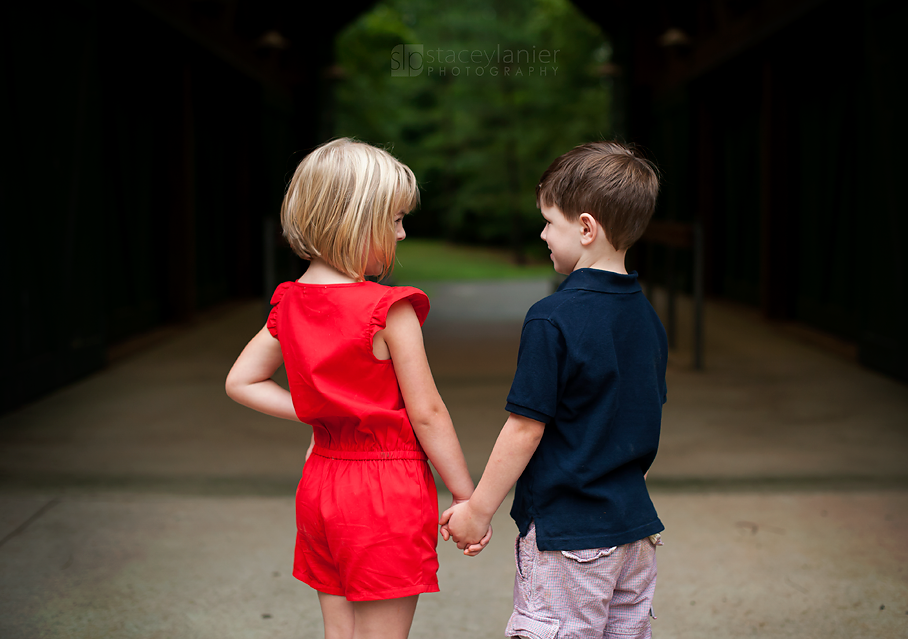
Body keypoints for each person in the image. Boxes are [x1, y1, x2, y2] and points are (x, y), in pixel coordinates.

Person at [225, 138, 488, 639]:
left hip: (321, 482)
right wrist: (465, 496)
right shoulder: (389, 309)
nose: (403, 233)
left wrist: (319, 413)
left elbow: (241, 381)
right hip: (385, 490)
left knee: (339, 633)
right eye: (393, 220)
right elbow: (427, 411)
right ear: (356, 220)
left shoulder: (289, 302)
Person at [440, 141, 667, 639]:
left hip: (571, 536)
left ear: (586, 228)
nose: (542, 233)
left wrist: (478, 510)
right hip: (635, 532)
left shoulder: (552, 318)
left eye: (549, 222)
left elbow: (525, 427)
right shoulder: (648, 320)